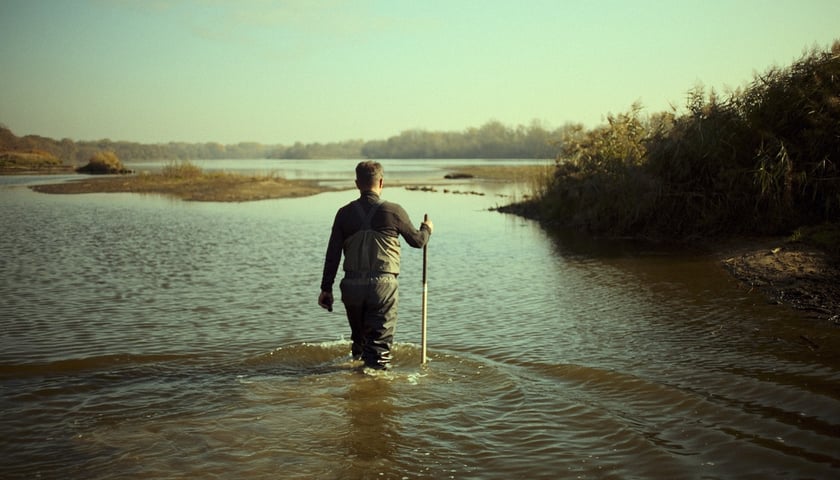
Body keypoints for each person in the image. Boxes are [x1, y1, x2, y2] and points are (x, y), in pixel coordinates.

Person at [318, 161, 433, 370]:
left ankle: (355, 389)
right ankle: (374, 392)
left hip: (351, 287)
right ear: (381, 182)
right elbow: (418, 241)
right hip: (383, 287)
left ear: (356, 183)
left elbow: (332, 254)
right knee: (378, 352)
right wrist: (427, 228)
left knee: (360, 345)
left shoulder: (343, 214)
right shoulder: (393, 211)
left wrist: (326, 289)